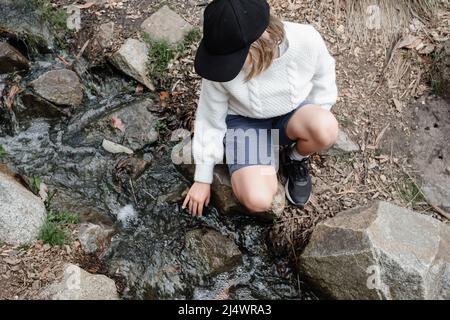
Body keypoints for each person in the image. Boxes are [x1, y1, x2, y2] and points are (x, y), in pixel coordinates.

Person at [182, 0, 338, 216]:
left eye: (232, 59)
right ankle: (260, 156)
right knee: (258, 199)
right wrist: (202, 178)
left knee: (325, 127)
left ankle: (295, 158)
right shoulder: (220, 54)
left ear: (260, 42)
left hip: (292, 115)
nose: (225, 66)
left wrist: (318, 111)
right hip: (244, 122)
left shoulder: (306, 39)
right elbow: (210, 118)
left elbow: (324, 77)